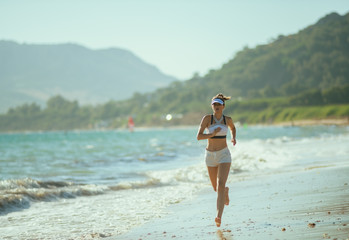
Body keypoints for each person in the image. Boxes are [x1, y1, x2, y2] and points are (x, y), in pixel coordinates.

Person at [196, 93, 236, 227]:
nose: (217, 106)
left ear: (223, 106)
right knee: (216, 188)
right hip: (210, 156)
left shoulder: (227, 120)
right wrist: (211, 134)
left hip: (224, 155)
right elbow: (199, 137)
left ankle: (219, 216)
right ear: (212, 106)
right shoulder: (207, 119)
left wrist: (233, 137)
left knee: (220, 184)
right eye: (214, 104)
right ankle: (225, 191)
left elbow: (233, 128)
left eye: (219, 104)